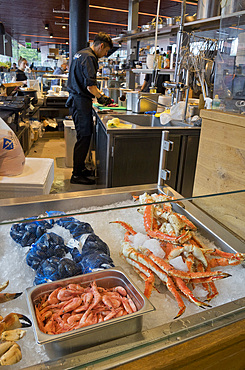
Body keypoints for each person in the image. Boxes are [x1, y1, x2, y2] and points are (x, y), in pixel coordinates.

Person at [66, 32, 113, 185]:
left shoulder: (80, 53)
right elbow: (90, 85)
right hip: (80, 102)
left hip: (77, 100)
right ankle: (76, 175)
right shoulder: (90, 57)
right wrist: (101, 97)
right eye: (106, 51)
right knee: (84, 136)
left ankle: (81, 168)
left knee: (84, 135)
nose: (105, 54)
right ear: (101, 46)